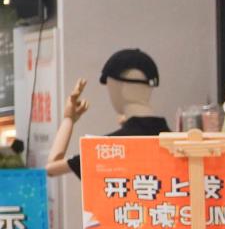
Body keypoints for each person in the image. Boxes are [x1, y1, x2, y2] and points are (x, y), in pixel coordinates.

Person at [46, 48, 170, 179]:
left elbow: (51, 168)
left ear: (123, 90)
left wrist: (68, 119)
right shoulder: (179, 144)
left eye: (111, 88)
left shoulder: (106, 150)